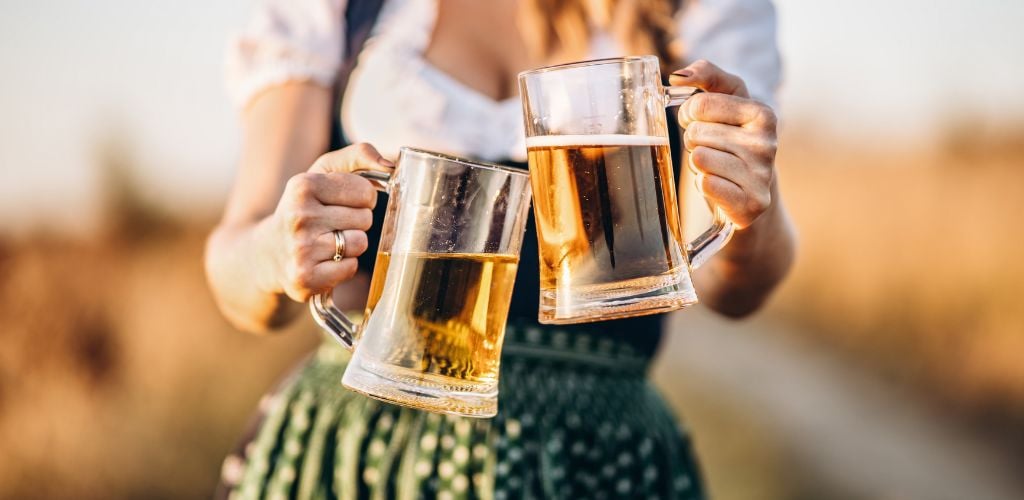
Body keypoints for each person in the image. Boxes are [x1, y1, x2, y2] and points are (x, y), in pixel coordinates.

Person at [205, 0, 796, 498]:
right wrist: (275, 250)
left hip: (597, 458)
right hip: (362, 450)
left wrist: (745, 211)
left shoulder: (699, 8)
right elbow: (240, 269)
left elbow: (730, 287)